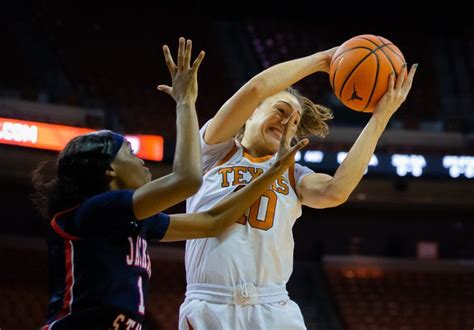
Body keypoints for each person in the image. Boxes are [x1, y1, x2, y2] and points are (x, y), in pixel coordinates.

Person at [32, 37, 308, 330]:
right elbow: (188, 179)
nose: (140, 161)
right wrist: (186, 103)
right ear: (110, 169)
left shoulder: (134, 221)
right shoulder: (98, 210)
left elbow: (213, 221)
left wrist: (272, 172)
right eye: (130, 152)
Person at [179, 43, 417, 329]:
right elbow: (256, 89)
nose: (286, 121)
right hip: (210, 304)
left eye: (294, 119)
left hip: (273, 307)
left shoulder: (293, 173)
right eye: (279, 109)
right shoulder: (214, 151)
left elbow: (335, 191)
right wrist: (322, 60)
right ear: (250, 114)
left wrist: (380, 118)